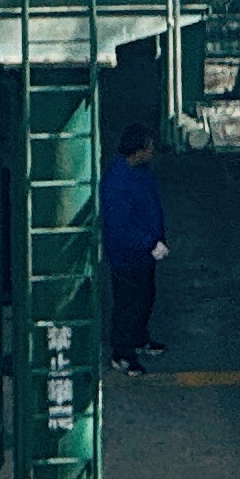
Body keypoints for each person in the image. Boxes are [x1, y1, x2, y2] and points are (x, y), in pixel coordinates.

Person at [100, 122, 168, 374]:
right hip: (128, 258)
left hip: (145, 253)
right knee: (128, 304)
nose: (153, 150)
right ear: (137, 151)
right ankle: (123, 353)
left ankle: (138, 338)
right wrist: (150, 243)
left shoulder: (141, 172)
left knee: (145, 297)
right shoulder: (117, 185)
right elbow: (121, 228)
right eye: (149, 147)